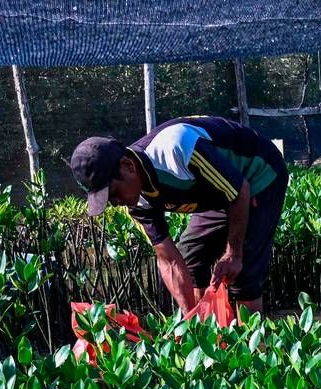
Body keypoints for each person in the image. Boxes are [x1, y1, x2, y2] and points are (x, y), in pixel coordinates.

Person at [69, 116, 288, 314]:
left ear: (128, 166)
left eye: (114, 193)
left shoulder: (176, 148)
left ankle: (253, 350)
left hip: (257, 173)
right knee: (190, 257)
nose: (116, 203)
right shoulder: (136, 202)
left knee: (242, 272)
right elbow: (170, 261)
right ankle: (207, 332)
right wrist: (189, 319)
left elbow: (239, 191)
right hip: (216, 190)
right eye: (108, 201)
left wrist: (233, 255)